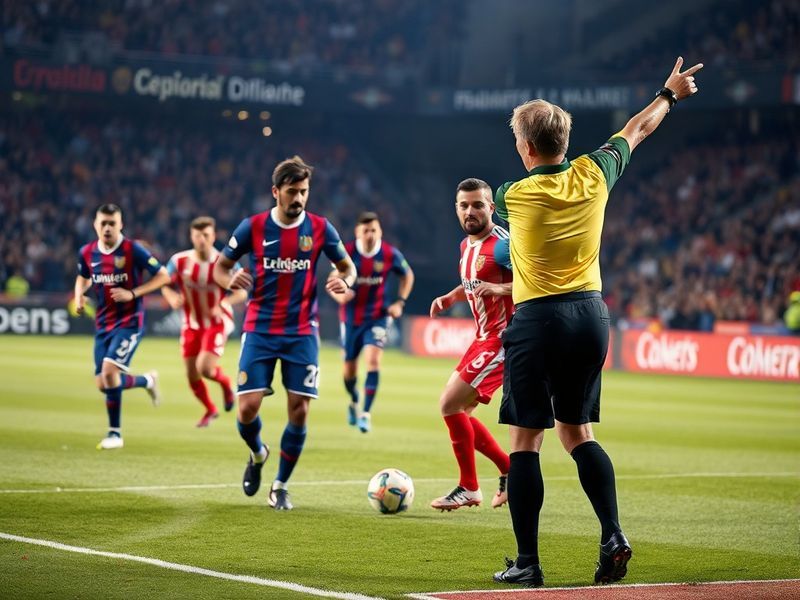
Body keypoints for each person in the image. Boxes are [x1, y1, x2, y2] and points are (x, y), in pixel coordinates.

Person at [491, 57, 703, 587]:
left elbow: (497, 238)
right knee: (577, 431)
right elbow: (638, 128)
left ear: (526, 148)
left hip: (537, 318)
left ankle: (527, 562)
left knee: (526, 442)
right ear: (563, 142)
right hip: (590, 315)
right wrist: (669, 94)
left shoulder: (513, 196)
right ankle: (613, 534)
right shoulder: (593, 172)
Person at [213, 155, 356, 511]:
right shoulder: (253, 227)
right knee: (247, 409)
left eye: (304, 192)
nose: (299, 199)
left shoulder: (321, 228)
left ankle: (279, 485)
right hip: (260, 328)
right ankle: (258, 453)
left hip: (302, 332)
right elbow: (220, 269)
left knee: (300, 411)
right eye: (292, 192)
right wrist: (228, 280)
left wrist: (344, 279)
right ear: (275, 191)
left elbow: (347, 267)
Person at [429, 178, 514, 511]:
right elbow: (474, 282)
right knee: (459, 412)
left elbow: (538, 282)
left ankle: (469, 487)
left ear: (491, 208)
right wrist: (452, 297)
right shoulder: (467, 245)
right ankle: (508, 470)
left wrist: (501, 291)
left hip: (504, 339)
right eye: (463, 205)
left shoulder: (504, 244)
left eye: (478, 204)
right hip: (482, 338)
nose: (470, 211)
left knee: (449, 405)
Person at [73, 203, 171, 450]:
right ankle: (147, 381)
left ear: (120, 225)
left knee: (108, 372)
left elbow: (163, 276)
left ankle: (115, 434)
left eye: (112, 223)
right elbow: (83, 276)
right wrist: (78, 296)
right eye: (103, 223)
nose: (107, 228)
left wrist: (133, 293)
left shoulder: (132, 250)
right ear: (95, 224)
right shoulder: (86, 252)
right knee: (103, 383)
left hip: (129, 322)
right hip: (103, 323)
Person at [326, 211, 414, 433]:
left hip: (378, 316)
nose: (370, 234)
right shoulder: (346, 253)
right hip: (351, 319)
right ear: (357, 232)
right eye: (366, 230)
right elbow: (331, 280)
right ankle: (354, 400)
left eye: (374, 230)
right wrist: (340, 295)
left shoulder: (389, 254)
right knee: (349, 371)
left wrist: (400, 302)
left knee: (373, 361)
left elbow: (407, 275)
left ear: (380, 232)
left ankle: (365, 413)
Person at [162, 216, 248, 427]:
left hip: (217, 323)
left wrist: (224, 302)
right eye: (198, 235)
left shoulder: (225, 262)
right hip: (191, 323)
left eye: (206, 235)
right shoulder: (178, 261)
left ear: (213, 236)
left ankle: (227, 386)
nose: (202, 239)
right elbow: (163, 283)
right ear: (191, 236)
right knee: (192, 374)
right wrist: (171, 297)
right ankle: (210, 409)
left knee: (205, 368)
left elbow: (242, 293)